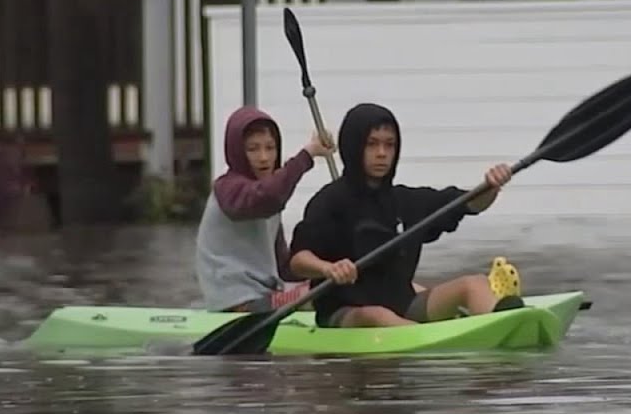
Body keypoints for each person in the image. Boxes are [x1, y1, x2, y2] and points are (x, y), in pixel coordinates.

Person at [288, 102, 523, 328]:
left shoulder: (405, 201)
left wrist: (491, 186)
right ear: (354, 146)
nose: (382, 153)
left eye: (389, 145)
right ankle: (428, 340)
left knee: (474, 284)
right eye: (372, 144)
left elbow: (469, 204)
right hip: (347, 312)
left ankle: (504, 322)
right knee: (377, 316)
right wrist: (328, 269)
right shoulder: (330, 201)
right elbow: (298, 260)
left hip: (403, 304)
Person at [195, 106, 333, 312]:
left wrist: (330, 266)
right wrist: (308, 154)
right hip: (234, 302)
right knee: (323, 296)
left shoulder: (269, 198)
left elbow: (284, 268)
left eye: (270, 148)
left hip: (265, 296)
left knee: (335, 287)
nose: (264, 157)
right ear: (237, 152)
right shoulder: (229, 189)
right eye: (253, 149)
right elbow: (269, 197)